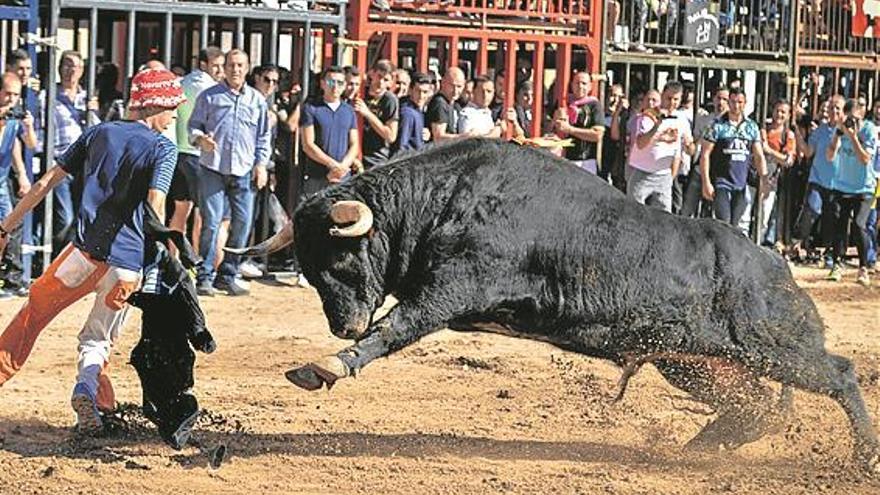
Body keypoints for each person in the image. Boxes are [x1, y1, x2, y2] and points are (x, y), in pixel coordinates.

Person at [0, 68, 183, 435]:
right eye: (173, 108)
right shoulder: (164, 148)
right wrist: (168, 251)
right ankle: (91, 395)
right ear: (156, 106)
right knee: (98, 340)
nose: (176, 116)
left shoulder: (99, 132)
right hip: (127, 267)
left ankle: (99, 404)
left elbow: (44, 183)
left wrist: (5, 227)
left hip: (82, 256)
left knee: (31, 315)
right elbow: (156, 203)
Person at [188, 49, 271, 297]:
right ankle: (205, 276)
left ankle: (228, 274)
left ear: (247, 68)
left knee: (243, 223)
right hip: (212, 167)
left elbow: (263, 137)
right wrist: (200, 139)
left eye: (240, 65)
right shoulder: (209, 97)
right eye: (231, 65)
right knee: (211, 223)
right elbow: (193, 126)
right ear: (224, 68)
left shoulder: (257, 101)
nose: (235, 70)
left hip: (244, 170)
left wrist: (261, 164)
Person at [41, 50, 101, 254]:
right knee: (64, 217)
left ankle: (72, 262)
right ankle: (55, 258)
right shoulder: (48, 95)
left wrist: (93, 112)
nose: (71, 70)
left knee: (82, 216)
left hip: (85, 162)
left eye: (76, 66)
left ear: (83, 71)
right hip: (60, 160)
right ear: (59, 68)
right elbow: (42, 128)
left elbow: (98, 132)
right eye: (67, 65)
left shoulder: (87, 98)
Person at [170, 46, 224, 256]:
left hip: (178, 153)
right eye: (216, 66)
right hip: (199, 155)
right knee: (203, 214)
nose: (220, 71)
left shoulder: (180, 84)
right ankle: (198, 260)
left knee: (180, 211)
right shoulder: (211, 90)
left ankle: (173, 259)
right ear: (204, 65)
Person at [825, 98, 878, 284]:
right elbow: (830, 156)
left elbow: (865, 159)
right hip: (842, 184)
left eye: (855, 119)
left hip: (864, 187)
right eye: (848, 118)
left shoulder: (869, 130)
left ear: (861, 116)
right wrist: (837, 135)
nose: (851, 122)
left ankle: (863, 267)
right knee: (839, 224)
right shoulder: (840, 128)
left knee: (858, 224)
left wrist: (854, 136)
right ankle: (837, 263)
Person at [700, 87, 769, 226]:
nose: (736, 106)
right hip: (721, 181)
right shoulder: (717, 125)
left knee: (735, 222)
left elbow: (759, 155)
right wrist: (706, 182)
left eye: (740, 102)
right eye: (733, 102)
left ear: (745, 103)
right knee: (723, 221)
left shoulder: (751, 127)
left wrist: (764, 179)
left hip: (741, 183)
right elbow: (705, 154)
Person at [626, 81, 695, 212]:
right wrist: (656, 126)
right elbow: (640, 144)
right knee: (634, 213)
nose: (672, 102)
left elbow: (691, 151)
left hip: (663, 175)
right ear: (662, 95)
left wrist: (688, 145)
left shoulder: (682, 119)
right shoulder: (649, 115)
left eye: (676, 99)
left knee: (664, 217)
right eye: (669, 98)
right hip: (642, 173)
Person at [790, 95, 843, 260]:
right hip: (818, 179)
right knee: (812, 209)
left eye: (837, 108)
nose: (834, 111)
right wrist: (796, 132)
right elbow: (807, 152)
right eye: (832, 107)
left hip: (839, 183)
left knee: (832, 217)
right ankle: (796, 242)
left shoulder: (847, 132)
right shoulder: (820, 130)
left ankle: (829, 251)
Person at [300, 66, 359, 196]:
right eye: (331, 82)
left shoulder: (349, 111)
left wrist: (343, 167)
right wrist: (332, 165)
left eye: (340, 83)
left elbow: (354, 144)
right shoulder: (311, 108)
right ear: (322, 83)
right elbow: (308, 145)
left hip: (343, 178)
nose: (335, 86)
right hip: (317, 176)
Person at [681, 86, 729, 218]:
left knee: (717, 215)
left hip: (720, 172)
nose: (721, 102)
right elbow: (695, 144)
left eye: (725, 99)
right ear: (713, 99)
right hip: (700, 169)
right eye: (718, 98)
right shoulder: (703, 119)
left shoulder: (732, 124)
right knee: (688, 209)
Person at [753, 99, 796, 245]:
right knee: (746, 214)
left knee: (764, 216)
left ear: (789, 115)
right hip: (752, 175)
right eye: (777, 110)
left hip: (771, 178)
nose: (779, 114)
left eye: (783, 112)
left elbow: (788, 160)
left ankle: (758, 244)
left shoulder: (788, 135)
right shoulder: (762, 128)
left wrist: (768, 150)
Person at [554, 71, 605, 174]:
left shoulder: (594, 106)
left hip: (585, 161)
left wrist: (570, 129)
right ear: (572, 85)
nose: (580, 86)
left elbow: (597, 135)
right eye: (577, 83)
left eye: (584, 83)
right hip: (563, 159)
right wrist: (555, 120)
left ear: (590, 87)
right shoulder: (564, 103)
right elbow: (549, 127)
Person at [354, 59, 399, 169]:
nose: (381, 83)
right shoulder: (360, 92)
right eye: (379, 76)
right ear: (372, 74)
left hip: (375, 159)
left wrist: (368, 114)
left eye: (386, 80)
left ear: (391, 82)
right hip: (354, 156)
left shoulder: (390, 100)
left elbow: (391, 136)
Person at [394, 71, 432, 154]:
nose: (421, 96)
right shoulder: (407, 113)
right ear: (410, 90)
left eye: (425, 92)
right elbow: (401, 147)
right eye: (418, 91)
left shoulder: (418, 111)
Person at [425, 66, 466, 142]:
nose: (455, 91)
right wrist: (465, 137)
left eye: (459, 86)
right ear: (443, 82)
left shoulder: (455, 104)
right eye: (452, 86)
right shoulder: (440, 103)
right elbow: (438, 137)